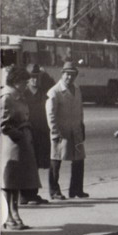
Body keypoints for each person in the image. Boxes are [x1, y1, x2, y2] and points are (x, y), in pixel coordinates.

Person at [1, 66, 41, 229]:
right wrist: (20, 134)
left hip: (20, 143)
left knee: (16, 181)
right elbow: (3, 124)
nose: (27, 84)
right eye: (24, 82)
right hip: (10, 144)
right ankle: (8, 217)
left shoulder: (19, 95)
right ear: (16, 82)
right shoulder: (7, 97)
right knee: (8, 182)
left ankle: (15, 213)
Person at [46, 61, 87, 200]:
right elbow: (50, 115)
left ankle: (76, 190)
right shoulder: (54, 92)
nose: (70, 78)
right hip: (61, 132)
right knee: (56, 161)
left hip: (76, 130)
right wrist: (55, 131)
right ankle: (54, 191)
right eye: (67, 74)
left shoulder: (77, 88)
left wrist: (82, 125)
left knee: (79, 160)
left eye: (73, 75)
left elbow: (80, 108)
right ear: (62, 74)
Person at [21, 65, 52, 205]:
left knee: (36, 164)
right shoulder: (23, 94)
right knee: (27, 164)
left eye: (37, 77)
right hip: (27, 134)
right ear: (27, 79)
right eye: (31, 77)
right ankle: (24, 195)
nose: (34, 80)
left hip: (41, 134)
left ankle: (32, 194)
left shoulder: (43, 93)